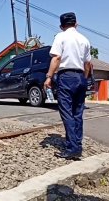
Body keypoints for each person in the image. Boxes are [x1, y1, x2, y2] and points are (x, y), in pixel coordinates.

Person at [44, 12, 91, 160]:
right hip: (80, 77)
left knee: (67, 112)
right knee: (78, 112)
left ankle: (72, 149)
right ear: (76, 24)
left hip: (66, 76)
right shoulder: (84, 39)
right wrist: (84, 77)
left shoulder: (60, 36)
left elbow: (57, 57)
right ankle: (77, 144)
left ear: (61, 26)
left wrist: (49, 77)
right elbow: (88, 63)